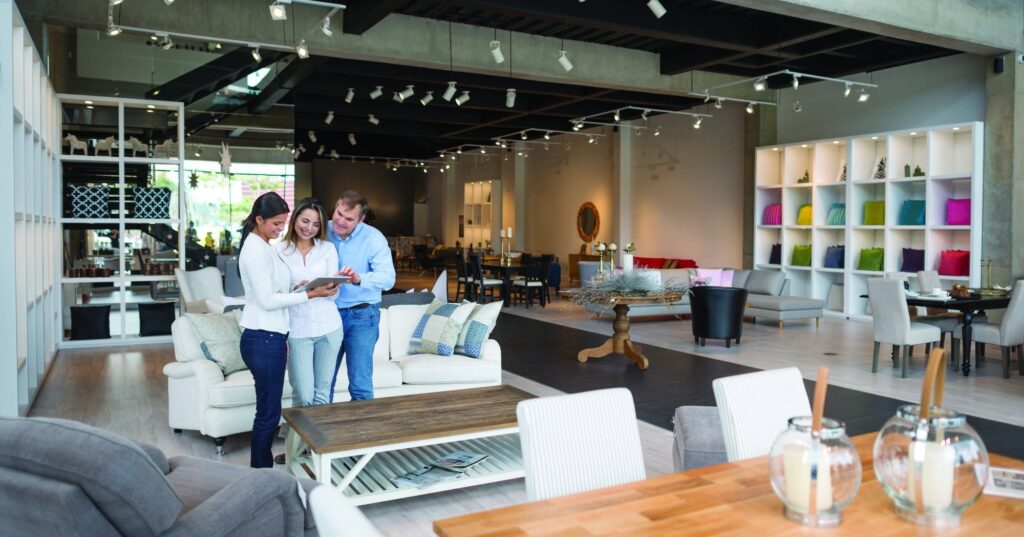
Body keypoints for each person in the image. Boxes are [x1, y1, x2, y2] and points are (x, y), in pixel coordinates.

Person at [238, 192, 337, 468]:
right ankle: (261, 472)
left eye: (283, 223)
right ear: (259, 219)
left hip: (270, 337)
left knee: (269, 411)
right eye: (276, 224)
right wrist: (309, 295)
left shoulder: (264, 245)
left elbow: (274, 290)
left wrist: (298, 289)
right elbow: (267, 300)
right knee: (268, 413)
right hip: (263, 338)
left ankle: (263, 470)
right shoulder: (255, 250)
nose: (280, 229)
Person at [327, 190, 396, 401]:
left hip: (361, 315)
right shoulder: (322, 230)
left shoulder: (373, 238)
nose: (341, 221)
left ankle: (362, 424)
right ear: (335, 208)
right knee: (323, 383)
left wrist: (359, 279)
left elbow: (388, 279)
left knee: (360, 385)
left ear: (361, 219)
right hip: (326, 314)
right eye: (339, 214)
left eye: (349, 219)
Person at [276, 198, 343, 409]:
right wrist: (301, 291)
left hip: (329, 327)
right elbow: (275, 294)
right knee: (303, 396)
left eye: (316, 224)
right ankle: (296, 433)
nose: (309, 228)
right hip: (298, 329)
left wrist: (332, 289)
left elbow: (333, 296)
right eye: (305, 221)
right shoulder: (278, 250)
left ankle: (317, 434)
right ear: (295, 218)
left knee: (322, 396)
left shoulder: (328, 249)